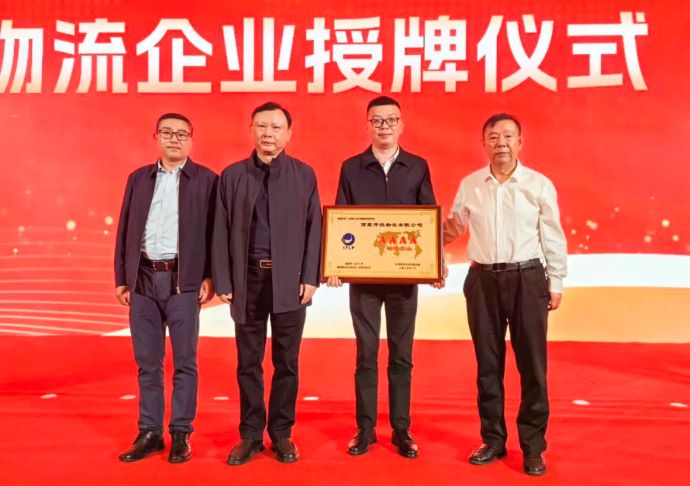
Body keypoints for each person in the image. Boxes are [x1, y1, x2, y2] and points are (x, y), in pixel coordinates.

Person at [443, 113, 567, 476]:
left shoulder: (538, 184)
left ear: (520, 142)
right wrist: (421, 244)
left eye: (508, 136)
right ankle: (493, 440)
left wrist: (556, 280)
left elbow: (553, 234)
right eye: (494, 137)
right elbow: (452, 229)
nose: (501, 143)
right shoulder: (471, 185)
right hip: (482, 280)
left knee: (533, 366)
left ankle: (533, 447)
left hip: (528, 279)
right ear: (483, 143)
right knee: (488, 364)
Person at [328, 96, 444, 459]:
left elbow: (428, 218)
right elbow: (341, 219)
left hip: (404, 280)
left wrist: (435, 264)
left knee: (401, 354)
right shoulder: (351, 167)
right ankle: (365, 429)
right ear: (367, 125)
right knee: (366, 354)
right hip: (363, 279)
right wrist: (335, 264)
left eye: (391, 120)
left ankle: (401, 429)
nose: (384, 126)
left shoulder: (417, 166)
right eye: (377, 121)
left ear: (401, 125)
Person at [213, 102, 322, 466]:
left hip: (290, 281)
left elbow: (315, 229)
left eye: (276, 127)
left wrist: (310, 277)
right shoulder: (232, 176)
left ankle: (281, 432)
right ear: (251, 130)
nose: (268, 133)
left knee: (287, 361)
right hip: (247, 280)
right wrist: (224, 279)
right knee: (248, 361)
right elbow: (219, 231)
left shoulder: (303, 175)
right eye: (262, 126)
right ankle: (250, 434)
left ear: (288, 133)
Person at [114, 113, 217, 463]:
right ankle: (150, 432)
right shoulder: (138, 178)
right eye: (167, 132)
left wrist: (210, 276)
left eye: (181, 134)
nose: (174, 139)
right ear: (156, 136)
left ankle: (181, 433)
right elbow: (125, 229)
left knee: (185, 361)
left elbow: (215, 233)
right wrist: (122, 277)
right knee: (148, 362)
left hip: (182, 281)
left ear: (191, 139)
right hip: (143, 279)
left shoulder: (207, 180)